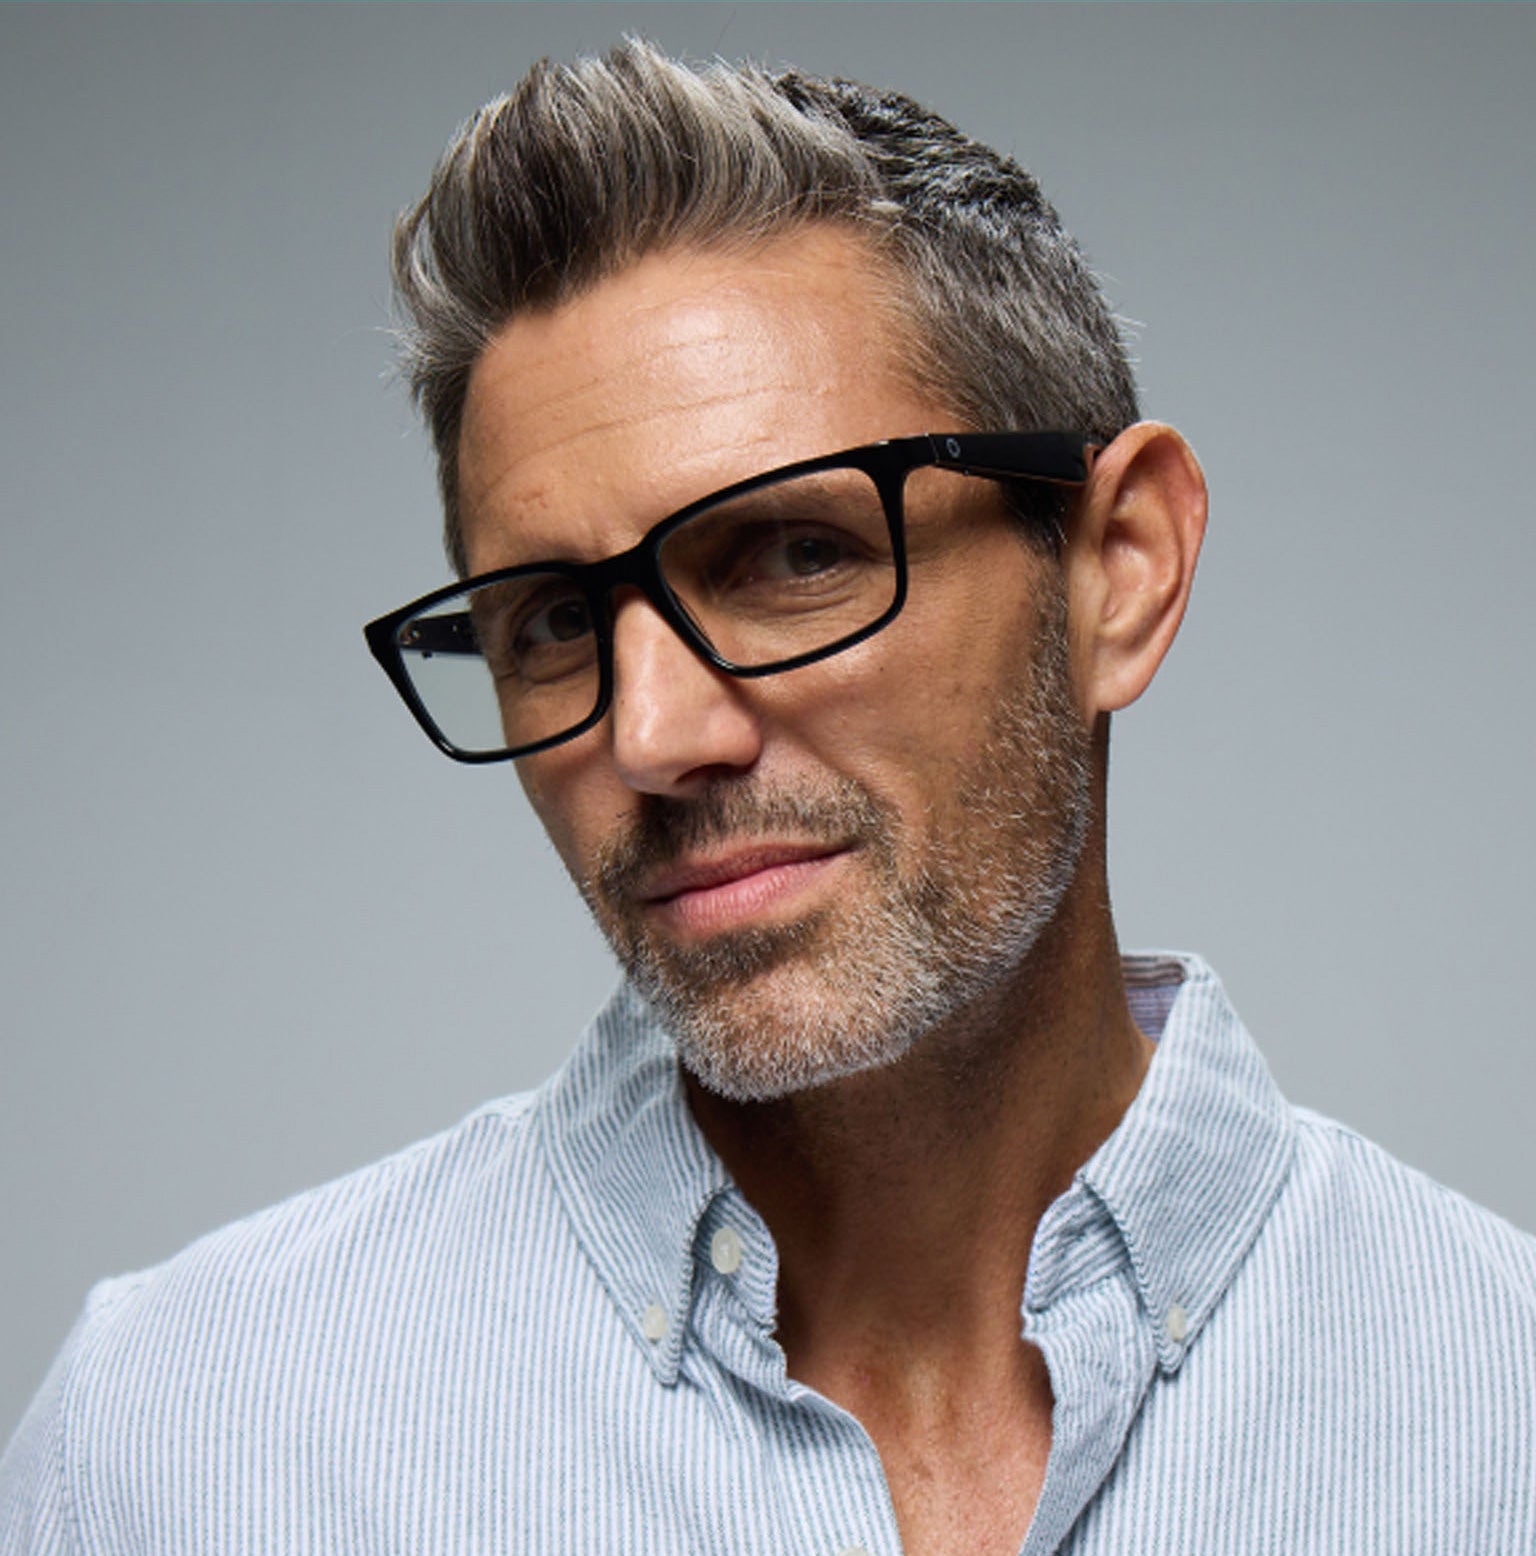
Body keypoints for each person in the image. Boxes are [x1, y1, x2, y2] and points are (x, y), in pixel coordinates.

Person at [3, 39, 1533, 1556]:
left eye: (796, 555)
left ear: (1118, 569)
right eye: (552, 623)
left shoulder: (1500, 1417)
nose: (656, 736)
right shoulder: (185, 1446)